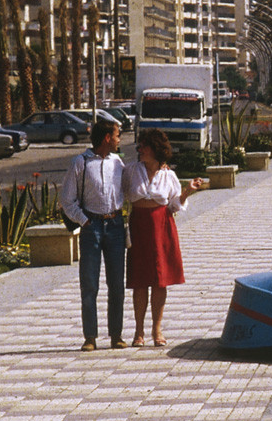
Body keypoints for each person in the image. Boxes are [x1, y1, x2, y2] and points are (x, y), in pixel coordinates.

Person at [125, 129, 207, 347]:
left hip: (162, 226)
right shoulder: (131, 170)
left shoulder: (168, 175)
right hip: (139, 227)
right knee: (140, 280)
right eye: (140, 146)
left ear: (155, 149)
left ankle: (157, 329)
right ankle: (138, 331)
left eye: (144, 146)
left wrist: (188, 191)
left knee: (160, 280)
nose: (140, 149)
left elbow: (173, 205)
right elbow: (120, 193)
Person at [59, 118, 129, 351]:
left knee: (116, 284)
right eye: (118, 135)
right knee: (89, 284)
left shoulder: (118, 162)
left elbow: (133, 184)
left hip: (116, 226)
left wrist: (161, 167)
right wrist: (85, 220)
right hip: (92, 227)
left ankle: (116, 335)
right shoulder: (81, 162)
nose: (120, 140)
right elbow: (67, 200)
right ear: (107, 138)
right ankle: (90, 336)